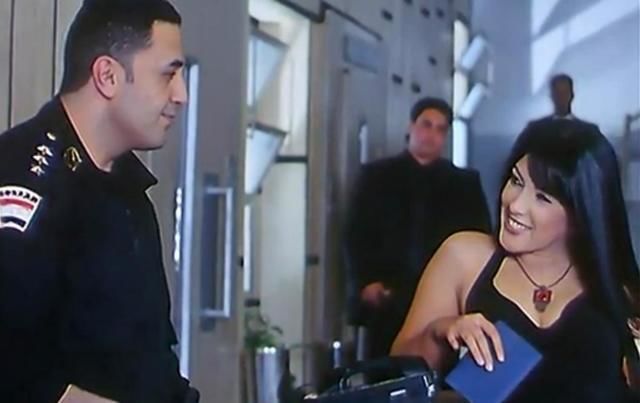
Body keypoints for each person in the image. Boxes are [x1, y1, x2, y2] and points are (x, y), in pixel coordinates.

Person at [0, 0, 198, 402]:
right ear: (108, 76)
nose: (182, 96)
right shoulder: (24, 180)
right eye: (168, 75)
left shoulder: (129, 192)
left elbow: (149, 355)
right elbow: (16, 373)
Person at [391, 119, 640, 402]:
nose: (516, 204)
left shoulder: (619, 290)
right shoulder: (464, 257)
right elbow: (396, 383)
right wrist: (441, 331)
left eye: (543, 197)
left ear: (580, 211)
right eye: (516, 181)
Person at [345, 97, 492, 359]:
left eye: (440, 129)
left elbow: (479, 239)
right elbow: (356, 235)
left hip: (443, 300)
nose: (431, 135)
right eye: (426, 125)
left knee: (437, 369)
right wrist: (365, 282)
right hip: (388, 297)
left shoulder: (464, 184)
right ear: (411, 126)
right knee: (384, 369)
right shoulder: (377, 177)